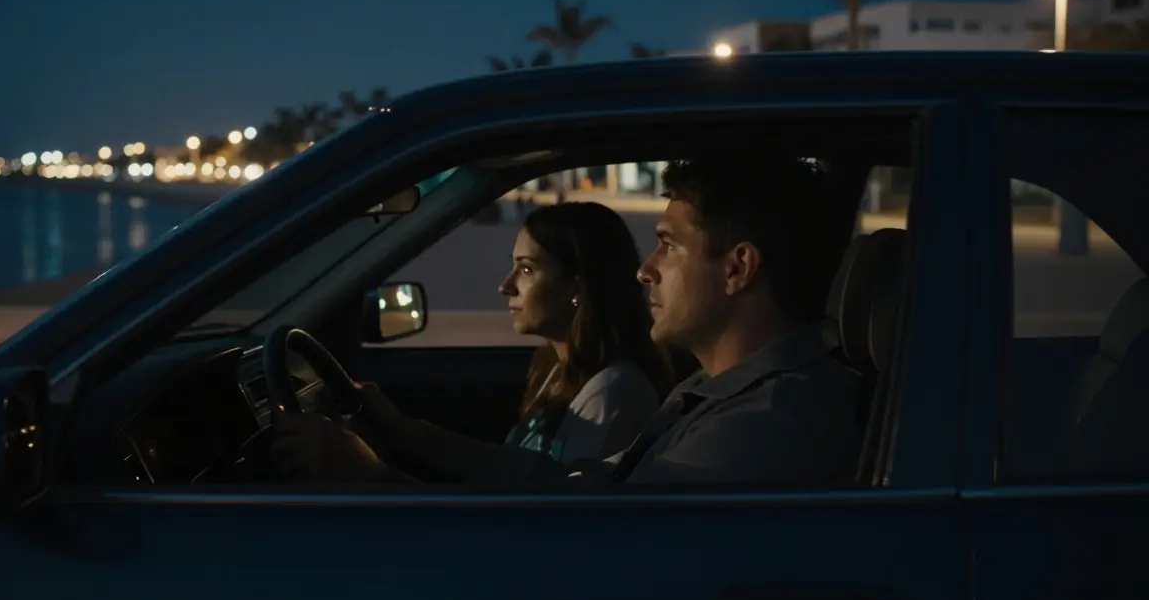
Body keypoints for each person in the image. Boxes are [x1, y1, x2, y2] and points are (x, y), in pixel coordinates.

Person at [274, 157, 861, 487]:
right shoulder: (711, 391)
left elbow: (591, 551)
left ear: (738, 269)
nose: (644, 271)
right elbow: (569, 487)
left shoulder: (763, 425)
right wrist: (403, 432)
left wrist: (374, 480)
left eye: (668, 246)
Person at [273, 202, 676, 484]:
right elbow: (511, 474)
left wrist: (373, 476)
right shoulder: (559, 371)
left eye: (526, 269)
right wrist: (399, 429)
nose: (505, 286)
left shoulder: (614, 395)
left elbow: (545, 531)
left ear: (577, 286)